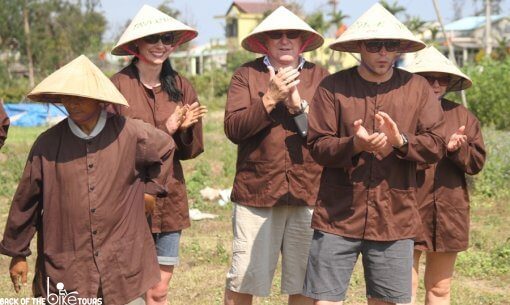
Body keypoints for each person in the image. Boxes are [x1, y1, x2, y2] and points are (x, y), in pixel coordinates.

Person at [0, 55, 175, 305]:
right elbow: (26, 201)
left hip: (123, 263)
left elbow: (166, 147)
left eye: (79, 97)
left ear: (99, 99)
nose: (72, 104)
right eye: (67, 97)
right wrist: (17, 254)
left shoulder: (130, 133)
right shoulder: (47, 144)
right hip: (67, 262)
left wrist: (150, 191)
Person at [302, 4, 446, 305]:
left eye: (390, 45)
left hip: (394, 214)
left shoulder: (417, 87)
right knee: (324, 300)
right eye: (374, 45)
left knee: (388, 301)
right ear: (358, 48)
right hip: (338, 213)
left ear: (398, 49)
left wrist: (401, 141)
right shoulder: (333, 87)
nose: (382, 52)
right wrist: (354, 145)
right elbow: (317, 145)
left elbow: (436, 144)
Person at [223, 6, 329, 305]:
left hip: (308, 191)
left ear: (302, 42)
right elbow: (233, 129)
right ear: (264, 42)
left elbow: (325, 135)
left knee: (304, 281)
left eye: (292, 35)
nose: (285, 40)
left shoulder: (320, 77)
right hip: (257, 192)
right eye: (276, 35)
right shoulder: (247, 75)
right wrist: (269, 99)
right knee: (244, 277)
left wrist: (297, 108)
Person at [109, 5, 205, 305]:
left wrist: (185, 129)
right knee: (129, 288)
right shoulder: (118, 86)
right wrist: (166, 127)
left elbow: (191, 150)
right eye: (153, 39)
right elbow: (113, 146)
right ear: (136, 44)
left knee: (159, 291)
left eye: (167, 38)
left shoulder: (180, 86)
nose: (160, 45)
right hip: (128, 197)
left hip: (169, 197)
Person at [405, 46, 486, 305]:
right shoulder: (403, 113)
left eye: (442, 79)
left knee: (440, 288)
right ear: (415, 80)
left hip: (449, 210)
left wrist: (457, 149)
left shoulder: (462, 116)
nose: (436, 84)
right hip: (407, 206)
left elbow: (476, 163)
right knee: (403, 287)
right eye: (428, 78)